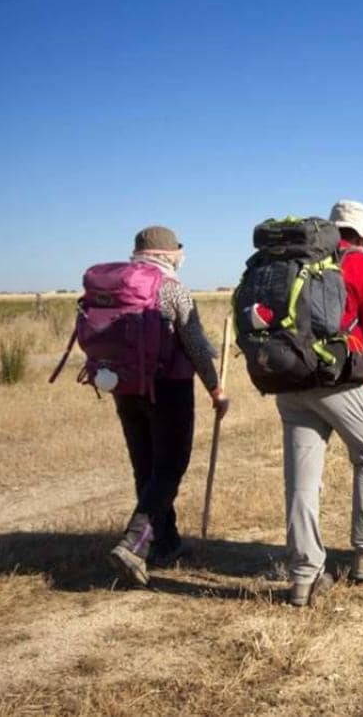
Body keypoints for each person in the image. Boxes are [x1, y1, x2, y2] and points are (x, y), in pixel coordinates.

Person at [277, 199, 363, 606]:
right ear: (362, 237)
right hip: (343, 381)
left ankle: (304, 576)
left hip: (291, 381)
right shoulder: (362, 266)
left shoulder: (293, 262)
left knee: (301, 481)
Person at [108, 226, 230, 586]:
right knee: (170, 465)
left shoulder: (118, 286)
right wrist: (216, 390)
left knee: (145, 466)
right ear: (168, 254)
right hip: (168, 387)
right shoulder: (172, 287)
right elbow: (193, 343)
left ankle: (166, 541)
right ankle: (134, 543)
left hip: (125, 387)